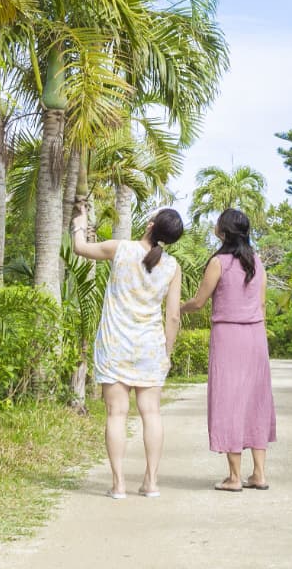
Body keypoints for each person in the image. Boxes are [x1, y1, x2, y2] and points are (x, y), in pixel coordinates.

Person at [72, 198, 184, 499]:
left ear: (150, 226)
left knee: (116, 415)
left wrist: (79, 220)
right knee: (152, 414)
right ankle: (151, 482)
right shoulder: (173, 266)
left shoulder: (120, 248)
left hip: (115, 345)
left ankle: (119, 484)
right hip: (150, 349)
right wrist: (167, 353)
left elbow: (80, 248)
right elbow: (173, 316)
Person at [184, 207, 277, 491]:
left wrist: (175, 307)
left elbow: (199, 302)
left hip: (228, 335)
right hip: (255, 335)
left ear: (223, 231)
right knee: (255, 399)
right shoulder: (257, 261)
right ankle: (259, 474)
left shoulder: (219, 262)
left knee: (228, 399)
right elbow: (261, 305)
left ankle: (234, 477)